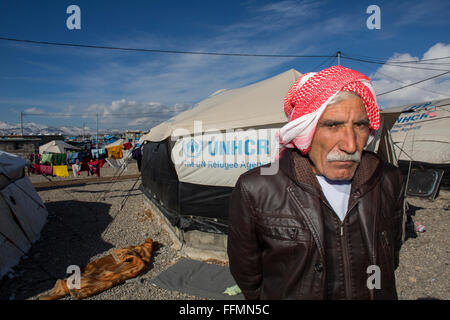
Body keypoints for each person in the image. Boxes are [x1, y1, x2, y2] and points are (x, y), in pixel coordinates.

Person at [227, 65, 406, 300]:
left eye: (360, 125)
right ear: (306, 130)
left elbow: (390, 255)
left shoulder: (388, 179)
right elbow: (248, 277)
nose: (350, 146)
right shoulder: (257, 188)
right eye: (332, 125)